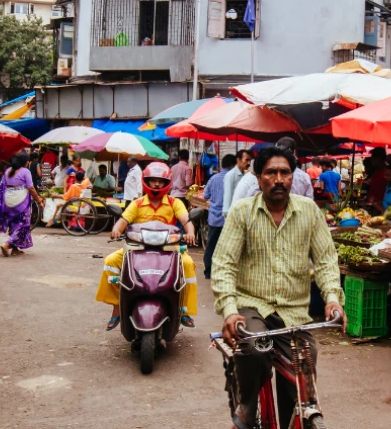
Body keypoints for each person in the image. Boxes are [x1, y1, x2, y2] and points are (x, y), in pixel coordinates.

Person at [212, 145, 344, 425]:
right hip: (252, 304)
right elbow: (223, 263)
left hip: (294, 312)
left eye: (285, 172)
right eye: (271, 172)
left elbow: (325, 260)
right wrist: (230, 310)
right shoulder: (242, 212)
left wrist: (332, 298)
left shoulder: (309, 211)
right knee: (252, 347)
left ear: (292, 178)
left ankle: (294, 418)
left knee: (305, 364)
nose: (279, 179)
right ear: (258, 177)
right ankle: (246, 404)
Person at [96, 162, 200, 329]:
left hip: (169, 249)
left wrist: (190, 233)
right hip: (137, 248)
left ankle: (184, 310)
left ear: (167, 182)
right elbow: (123, 220)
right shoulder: (137, 203)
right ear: (146, 181)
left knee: (187, 264)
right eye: (153, 180)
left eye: (160, 181)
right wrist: (116, 230)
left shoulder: (174, 202)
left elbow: (186, 220)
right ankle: (117, 308)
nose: (157, 184)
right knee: (110, 262)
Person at [0, 153, 43, 257]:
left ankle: (15, 249)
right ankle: (7, 245)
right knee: (23, 225)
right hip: (20, 201)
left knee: (13, 224)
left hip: (8, 200)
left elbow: (2, 186)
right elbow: (31, 188)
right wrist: (38, 200)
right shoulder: (25, 171)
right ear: (25, 162)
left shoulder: (8, 170)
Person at [201, 154, 235, 279]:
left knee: (211, 245)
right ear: (233, 165)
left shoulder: (213, 179)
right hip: (229, 219)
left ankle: (208, 271)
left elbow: (205, 196)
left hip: (214, 218)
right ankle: (226, 272)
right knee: (228, 246)